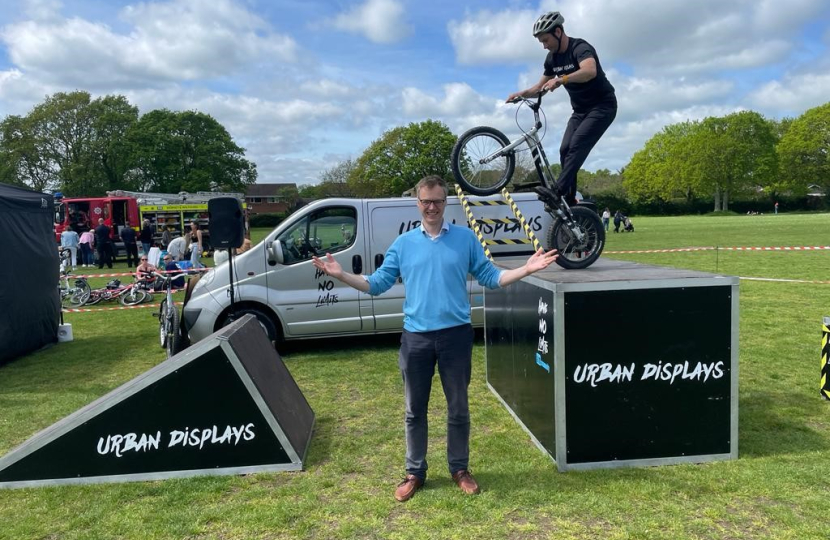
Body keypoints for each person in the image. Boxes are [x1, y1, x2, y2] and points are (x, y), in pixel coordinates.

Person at [312, 175, 559, 503]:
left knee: (458, 408)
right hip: (416, 339)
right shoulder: (403, 244)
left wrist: (525, 270)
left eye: (438, 201)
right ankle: (415, 472)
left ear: (446, 203)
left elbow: (491, 276)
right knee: (415, 410)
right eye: (426, 201)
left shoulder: (465, 239)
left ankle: (459, 468)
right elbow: (376, 284)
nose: (432, 207)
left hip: (456, 336)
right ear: (417, 203)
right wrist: (341, 275)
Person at [506, 11, 617, 206]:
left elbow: (590, 71)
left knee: (577, 144)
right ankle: (570, 199)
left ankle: (557, 191)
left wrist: (562, 79)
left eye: (546, 40)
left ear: (558, 32)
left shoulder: (580, 48)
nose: (544, 45)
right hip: (580, 111)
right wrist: (521, 94)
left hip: (602, 106)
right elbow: (539, 87)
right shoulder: (552, 59)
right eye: (541, 42)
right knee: (565, 149)